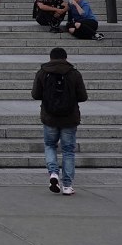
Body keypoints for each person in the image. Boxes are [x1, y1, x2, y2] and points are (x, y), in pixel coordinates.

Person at [31, 46, 88, 195]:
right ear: (65, 58)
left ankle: (53, 174)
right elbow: (83, 96)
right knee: (68, 150)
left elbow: (35, 94)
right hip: (69, 118)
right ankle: (67, 186)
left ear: (50, 58)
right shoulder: (74, 74)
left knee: (50, 145)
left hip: (49, 117)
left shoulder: (43, 73)